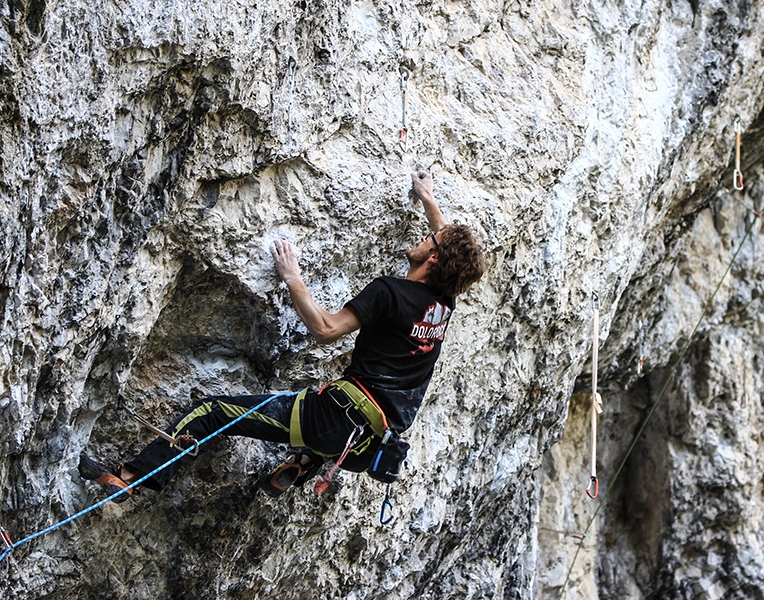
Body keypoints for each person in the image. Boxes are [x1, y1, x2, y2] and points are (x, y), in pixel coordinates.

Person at [79, 170, 486, 501]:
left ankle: (130, 476)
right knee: (320, 431)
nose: (425, 236)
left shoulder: (390, 293)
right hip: (372, 443)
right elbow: (447, 240)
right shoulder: (444, 301)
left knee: (212, 414)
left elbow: (326, 329)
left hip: (333, 418)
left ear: (432, 256)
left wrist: (293, 278)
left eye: (429, 239)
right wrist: (428, 198)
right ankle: (303, 463)